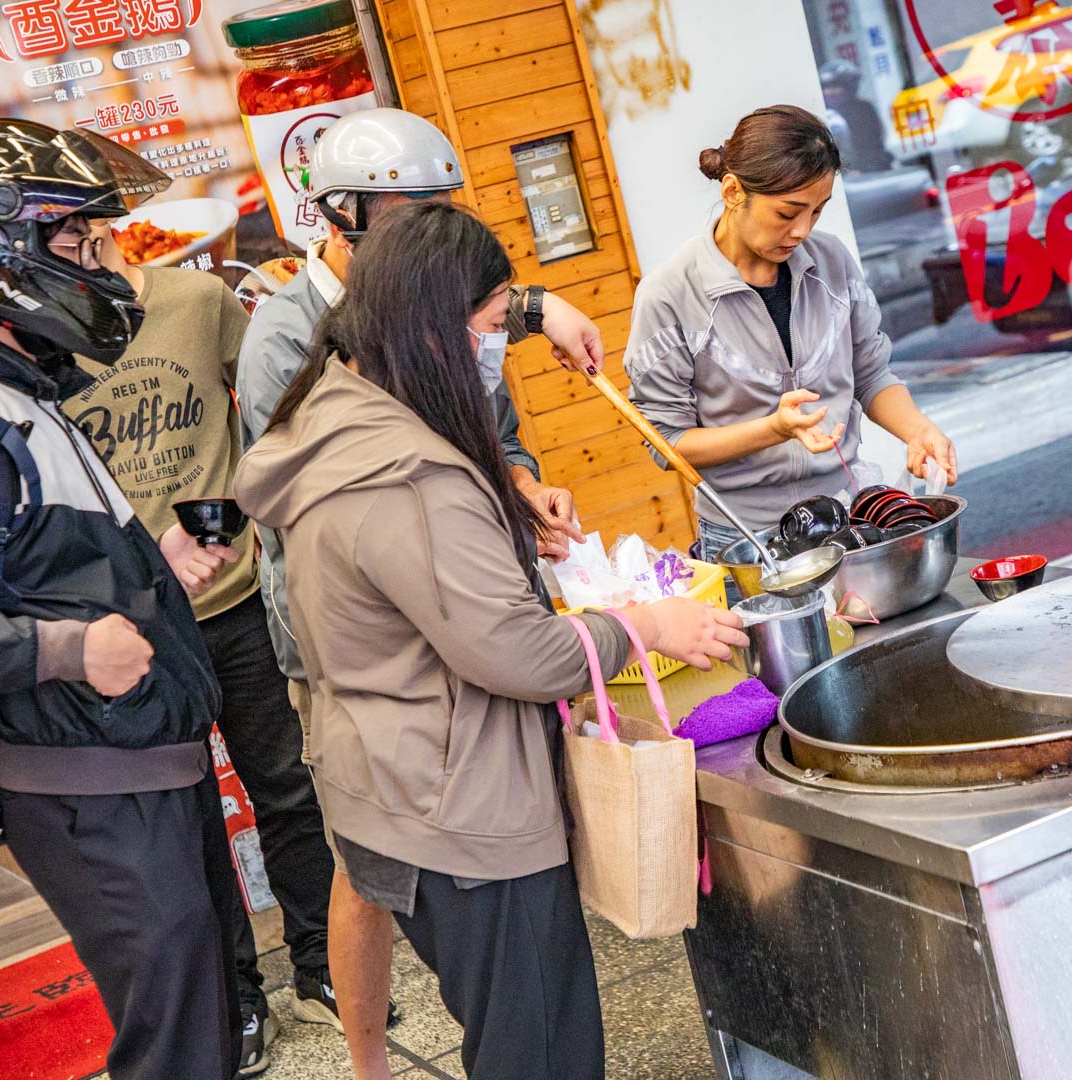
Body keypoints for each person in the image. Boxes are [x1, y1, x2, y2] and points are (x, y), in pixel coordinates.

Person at [232, 199, 746, 1080]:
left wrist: (502, 509)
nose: (496, 344)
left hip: (392, 775)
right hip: (461, 805)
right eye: (493, 322)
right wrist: (645, 626)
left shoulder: (334, 411)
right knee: (539, 1050)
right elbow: (516, 653)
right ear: (434, 327)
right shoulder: (408, 473)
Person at [234, 106, 606, 1079]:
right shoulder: (304, 354)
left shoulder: (433, 341)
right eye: (406, 217)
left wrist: (519, 489)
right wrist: (630, 631)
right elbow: (499, 642)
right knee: (405, 900)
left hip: (423, 681)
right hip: (376, 670)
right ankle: (366, 1057)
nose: (421, 238)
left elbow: (490, 430)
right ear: (345, 218)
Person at [0, 119, 239, 1078]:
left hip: (143, 767)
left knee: (201, 1014)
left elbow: (34, 559)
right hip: (86, 792)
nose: (98, 263)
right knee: (175, 1042)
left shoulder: (29, 394)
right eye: (75, 244)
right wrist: (63, 652)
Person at [61, 227, 345, 1074]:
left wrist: (218, 525)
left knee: (289, 790)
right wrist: (144, 573)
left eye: (72, 244)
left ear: (102, 236)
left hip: (235, 602)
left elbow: (267, 417)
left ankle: (322, 968)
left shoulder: (197, 302)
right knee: (190, 826)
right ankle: (237, 1001)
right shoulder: (51, 341)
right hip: (137, 632)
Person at [626, 104, 958, 568]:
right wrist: (773, 430)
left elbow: (871, 373)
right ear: (732, 191)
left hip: (844, 514)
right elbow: (667, 442)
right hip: (743, 536)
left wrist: (917, 429)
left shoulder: (832, 263)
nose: (801, 231)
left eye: (817, 212)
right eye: (787, 212)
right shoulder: (670, 295)